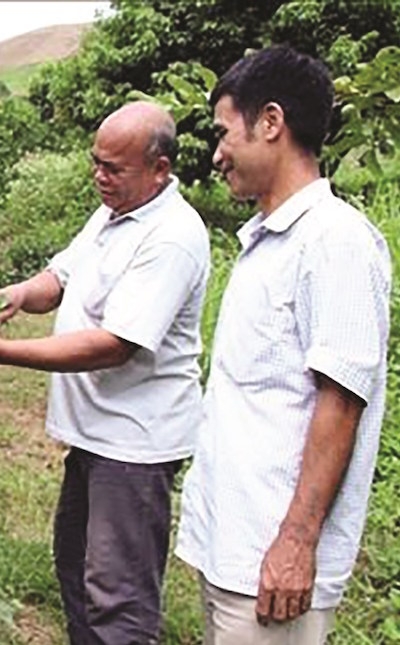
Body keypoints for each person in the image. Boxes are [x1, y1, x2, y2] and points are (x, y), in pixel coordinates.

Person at [0, 101, 210, 644]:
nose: (100, 176)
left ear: (160, 169)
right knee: (77, 567)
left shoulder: (172, 236)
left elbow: (115, 346)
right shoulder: (113, 213)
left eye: (115, 168)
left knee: (119, 596)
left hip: (133, 445)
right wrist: (15, 295)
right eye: (96, 163)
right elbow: (59, 277)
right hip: (96, 437)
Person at [175, 45, 391, 644]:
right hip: (235, 548)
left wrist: (296, 542)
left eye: (223, 133)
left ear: (271, 122)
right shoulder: (268, 242)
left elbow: (341, 403)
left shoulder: (335, 243)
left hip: (273, 563)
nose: (216, 154)